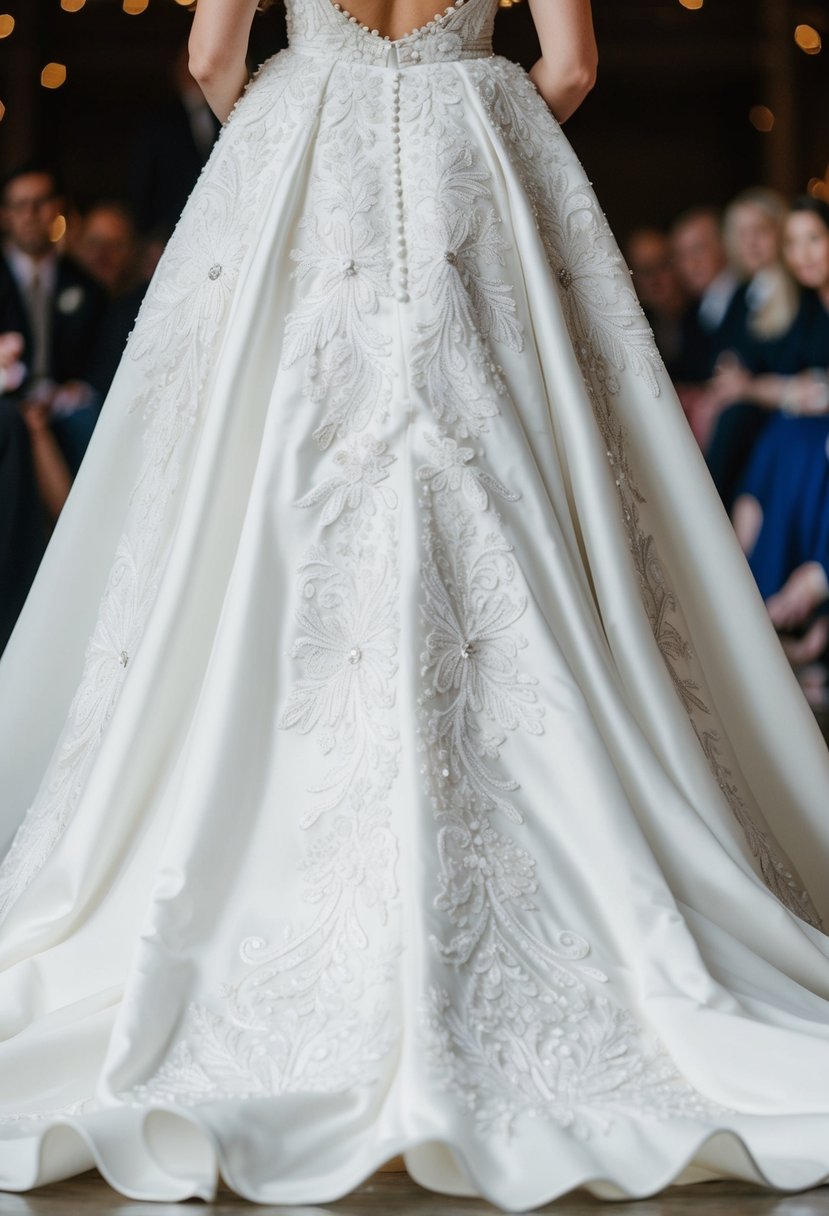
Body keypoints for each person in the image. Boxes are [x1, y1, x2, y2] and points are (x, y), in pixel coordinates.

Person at [0, 0, 829, 1208]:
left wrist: (303, 140)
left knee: (255, 527)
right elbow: (573, 65)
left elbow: (211, 58)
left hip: (314, 161)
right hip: (466, 169)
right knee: (516, 522)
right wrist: (463, 124)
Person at [0, 162, 107, 476]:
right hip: (9, 398)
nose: (31, 213)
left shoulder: (85, 285)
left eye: (41, 202)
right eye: (20, 205)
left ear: (58, 207)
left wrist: (73, 390)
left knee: (92, 416)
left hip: (63, 402)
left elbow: (100, 356)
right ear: (6, 214)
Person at [705, 188, 800, 512]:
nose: (751, 242)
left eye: (760, 231)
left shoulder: (795, 290)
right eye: (742, 234)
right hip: (745, 404)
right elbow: (724, 351)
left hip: (777, 406)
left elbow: (790, 362)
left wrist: (744, 384)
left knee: (736, 417)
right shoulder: (743, 292)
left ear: (779, 232)